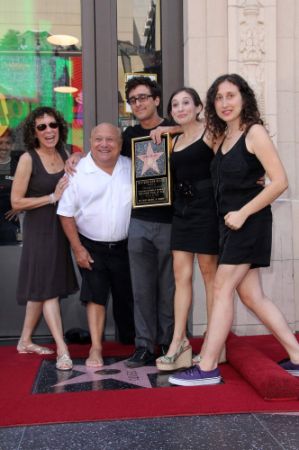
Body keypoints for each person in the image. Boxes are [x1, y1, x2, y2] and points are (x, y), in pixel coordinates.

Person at [168, 73, 299, 386]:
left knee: (221, 288)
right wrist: (168, 128)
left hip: (249, 223)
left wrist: (243, 211)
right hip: (231, 225)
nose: (225, 103)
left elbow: (280, 181)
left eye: (231, 95)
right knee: (252, 297)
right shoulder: (224, 136)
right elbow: (190, 132)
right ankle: (296, 354)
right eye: (219, 97)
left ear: (244, 98)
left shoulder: (255, 133)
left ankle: (208, 366)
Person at [57, 123, 134, 368]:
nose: (104, 144)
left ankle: (132, 344)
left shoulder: (131, 167)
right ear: (90, 141)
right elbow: (65, 213)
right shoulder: (77, 171)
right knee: (95, 297)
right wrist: (78, 248)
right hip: (91, 246)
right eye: (98, 139)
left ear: (120, 144)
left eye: (110, 140)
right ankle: (97, 348)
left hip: (126, 246)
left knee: (129, 298)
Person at [155, 88, 219, 371]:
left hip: (207, 210)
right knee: (181, 278)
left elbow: (231, 160)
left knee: (209, 278)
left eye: (186, 103)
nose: (180, 108)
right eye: (175, 105)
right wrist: (166, 129)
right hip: (181, 211)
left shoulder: (212, 133)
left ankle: (215, 344)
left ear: (198, 106)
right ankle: (178, 342)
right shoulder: (175, 139)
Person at [11, 106, 78, 371]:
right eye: (42, 127)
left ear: (59, 127)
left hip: (61, 228)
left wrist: (78, 157)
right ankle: (62, 348)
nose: (49, 131)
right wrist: (51, 198)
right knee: (48, 288)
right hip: (39, 230)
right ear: (34, 132)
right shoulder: (28, 159)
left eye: (53, 125)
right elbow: (16, 201)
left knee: (40, 287)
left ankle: (25, 340)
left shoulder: (65, 153)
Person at [123, 76, 181, 367]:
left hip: (172, 221)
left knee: (169, 288)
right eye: (133, 99)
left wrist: (172, 128)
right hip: (138, 221)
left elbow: (207, 132)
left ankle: (170, 344)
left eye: (144, 97)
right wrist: (75, 159)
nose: (139, 103)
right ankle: (144, 346)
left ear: (157, 99)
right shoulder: (128, 135)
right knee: (142, 288)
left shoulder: (176, 128)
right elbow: (100, 154)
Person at [0, 129, 21, 244]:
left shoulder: (19, 166)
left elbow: (28, 191)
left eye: (7, 143)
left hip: (9, 219)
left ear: (12, 145)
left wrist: (19, 207)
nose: (4, 147)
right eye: (0, 142)